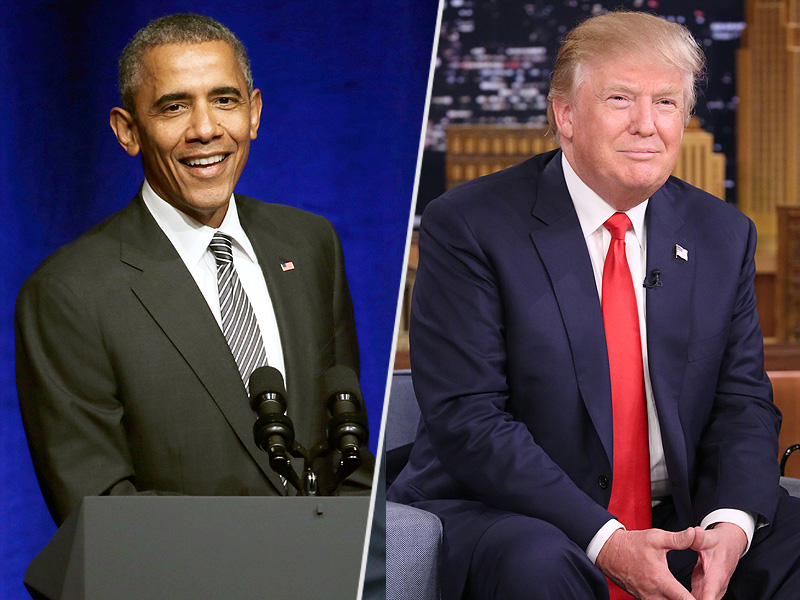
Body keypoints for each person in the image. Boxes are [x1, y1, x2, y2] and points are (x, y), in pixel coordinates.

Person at [388, 11, 800, 600]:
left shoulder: (721, 233)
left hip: (674, 514)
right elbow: (470, 421)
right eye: (619, 99)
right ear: (566, 115)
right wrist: (606, 539)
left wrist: (729, 525)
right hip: (515, 512)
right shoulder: (471, 226)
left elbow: (743, 404)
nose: (647, 125)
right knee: (539, 562)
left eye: (666, 102)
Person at [16, 13, 372, 527]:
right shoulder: (69, 293)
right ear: (127, 131)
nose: (205, 129)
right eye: (174, 107)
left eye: (225, 100)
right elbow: (98, 510)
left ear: (254, 113)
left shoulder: (311, 243)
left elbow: (348, 452)